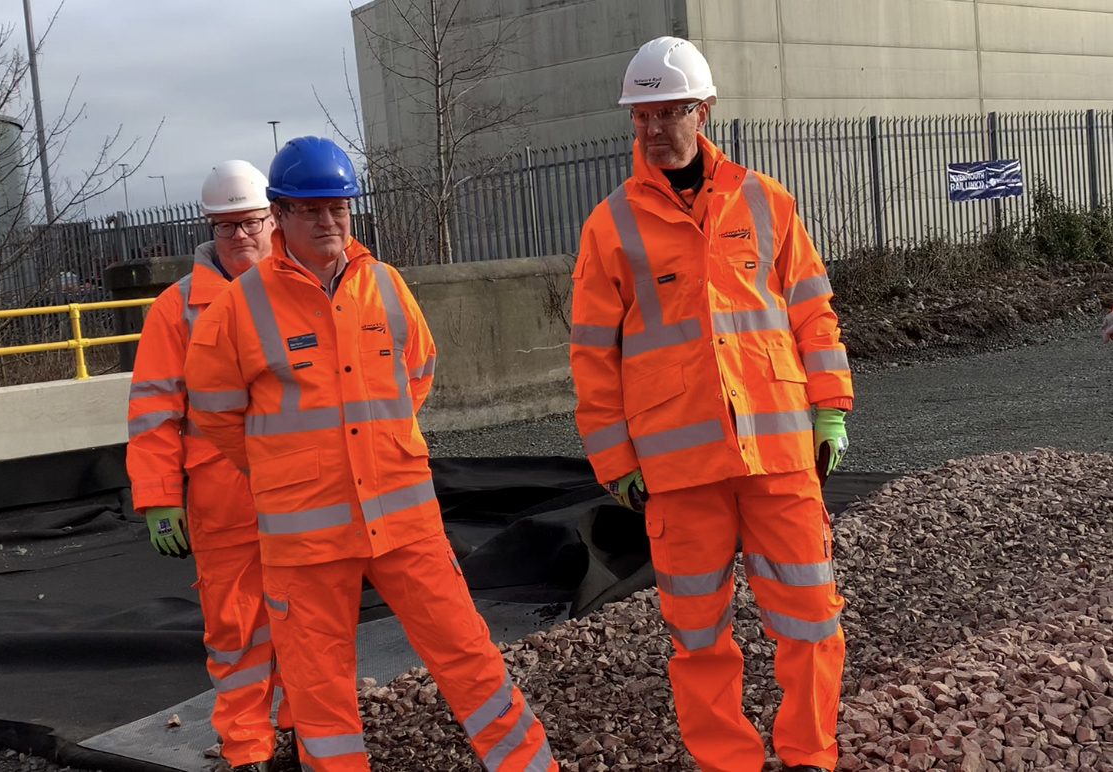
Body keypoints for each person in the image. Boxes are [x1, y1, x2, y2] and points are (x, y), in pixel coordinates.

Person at [183, 136, 557, 772]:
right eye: (310, 209)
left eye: (338, 207)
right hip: (306, 539)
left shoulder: (384, 286)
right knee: (319, 690)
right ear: (279, 213)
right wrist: (286, 468)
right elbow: (215, 415)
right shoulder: (239, 307)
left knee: (469, 656)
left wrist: (376, 449)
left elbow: (418, 373)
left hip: (404, 520)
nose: (328, 221)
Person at [568, 37, 853, 772]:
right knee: (697, 637)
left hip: (779, 453)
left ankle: (808, 755)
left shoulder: (765, 201)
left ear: (704, 110)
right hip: (678, 467)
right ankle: (727, 760)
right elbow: (593, 355)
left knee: (812, 621)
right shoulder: (610, 227)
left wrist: (830, 407)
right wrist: (614, 456)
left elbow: (812, 313)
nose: (654, 131)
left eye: (669, 113)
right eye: (642, 117)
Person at [126, 160, 293, 772]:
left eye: (251, 223)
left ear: (273, 221)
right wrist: (159, 496)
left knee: (305, 625)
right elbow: (153, 411)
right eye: (226, 227)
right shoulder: (177, 309)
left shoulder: (300, 287)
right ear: (209, 231)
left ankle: (307, 737)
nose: (240, 237)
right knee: (239, 634)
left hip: (301, 491)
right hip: (223, 500)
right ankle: (248, 752)